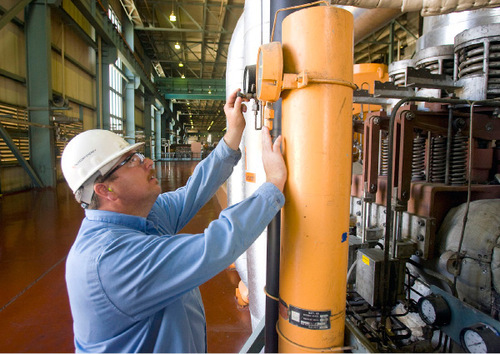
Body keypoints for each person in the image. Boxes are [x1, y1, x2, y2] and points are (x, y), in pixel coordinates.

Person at [60, 88, 287, 353]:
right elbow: (212, 248)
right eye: (131, 161)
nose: (148, 162)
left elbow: (193, 191)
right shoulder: (108, 261)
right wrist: (273, 184)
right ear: (104, 189)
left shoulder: (140, 217)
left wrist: (233, 131)